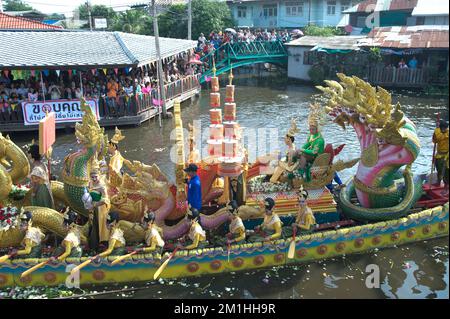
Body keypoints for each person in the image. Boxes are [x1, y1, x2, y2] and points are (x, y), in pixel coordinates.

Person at [296, 106, 325, 180]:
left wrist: (303, 150)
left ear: (317, 129)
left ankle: (301, 172)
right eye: (310, 129)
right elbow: (307, 145)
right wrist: (301, 149)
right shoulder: (311, 136)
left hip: (316, 157)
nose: (311, 131)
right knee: (296, 152)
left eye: (313, 129)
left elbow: (314, 152)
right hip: (310, 154)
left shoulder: (319, 140)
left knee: (303, 155)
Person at [87, 161, 111, 252]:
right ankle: (93, 245)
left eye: (95, 177)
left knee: (101, 226)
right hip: (92, 208)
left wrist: (96, 204)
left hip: (101, 209)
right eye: (92, 177)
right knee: (93, 226)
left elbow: (106, 199)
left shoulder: (102, 187)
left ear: (99, 176)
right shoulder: (90, 184)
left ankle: (103, 243)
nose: (94, 179)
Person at [270, 119, 299, 183]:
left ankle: (273, 179)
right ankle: (274, 179)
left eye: (285, 138)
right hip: (292, 163)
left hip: (291, 167)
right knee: (278, 163)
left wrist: (281, 162)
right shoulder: (291, 146)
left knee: (277, 163)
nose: (284, 140)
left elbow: (289, 164)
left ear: (289, 139)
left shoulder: (291, 150)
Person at [432, 119, 449, 195]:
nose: (444, 130)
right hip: (439, 154)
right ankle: (438, 182)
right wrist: (436, 130)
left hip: (447, 155)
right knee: (438, 168)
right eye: (442, 128)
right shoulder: (439, 132)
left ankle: (446, 187)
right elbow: (435, 140)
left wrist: (437, 130)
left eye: (445, 128)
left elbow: (441, 137)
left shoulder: (447, 133)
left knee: (446, 171)